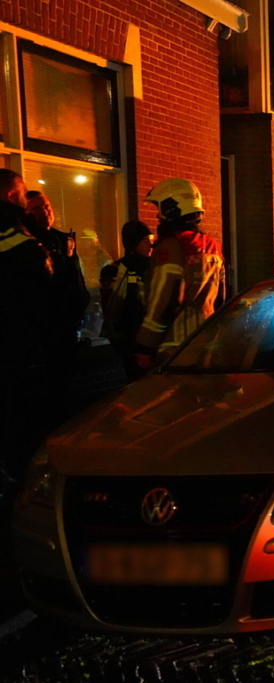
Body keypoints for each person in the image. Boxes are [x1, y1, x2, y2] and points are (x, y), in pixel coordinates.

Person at [135, 179, 226, 367]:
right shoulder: (212, 246)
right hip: (206, 338)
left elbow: (165, 300)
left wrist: (145, 345)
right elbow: (221, 297)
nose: (158, 216)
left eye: (159, 208)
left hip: (174, 348)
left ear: (171, 209)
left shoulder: (171, 246)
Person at [0, 170, 52, 481]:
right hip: (18, 342)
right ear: (11, 197)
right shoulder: (19, 238)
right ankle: (20, 479)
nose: (26, 198)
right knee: (21, 414)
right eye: (23, 194)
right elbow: (43, 289)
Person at [24, 190, 90, 425]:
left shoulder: (63, 239)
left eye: (47, 206)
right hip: (42, 332)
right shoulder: (27, 243)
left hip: (66, 328)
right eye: (37, 208)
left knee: (64, 389)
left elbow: (75, 279)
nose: (46, 212)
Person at [102, 221, 154, 377]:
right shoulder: (115, 271)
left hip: (152, 341)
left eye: (152, 241)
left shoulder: (156, 268)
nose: (151, 246)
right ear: (133, 244)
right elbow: (112, 311)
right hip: (130, 342)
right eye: (146, 241)